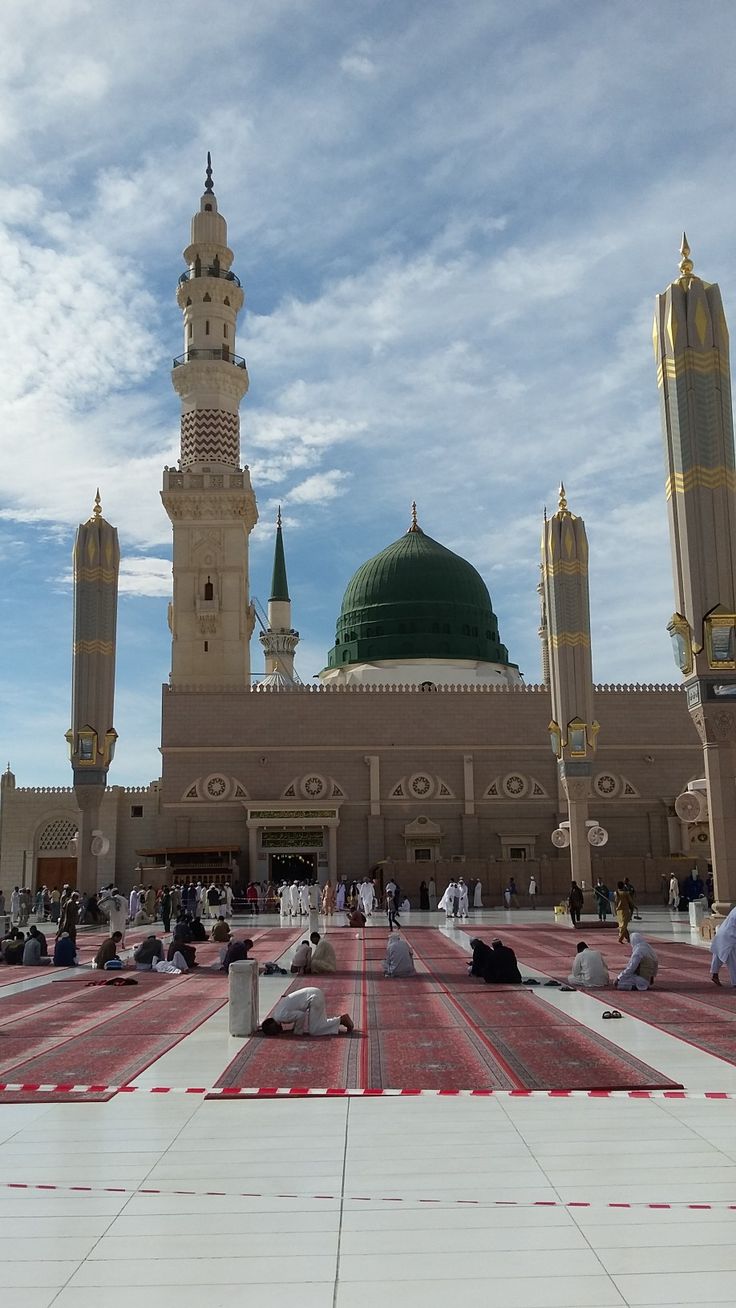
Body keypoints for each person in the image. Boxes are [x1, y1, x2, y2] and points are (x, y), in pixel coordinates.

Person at [261, 987, 354, 1036]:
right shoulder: (277, 1013)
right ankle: (340, 1020)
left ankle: (341, 1020)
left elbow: (301, 1015)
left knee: (315, 1031)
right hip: (313, 993)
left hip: (313, 998)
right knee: (319, 1024)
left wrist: (297, 1032)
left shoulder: (281, 1017)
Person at [710, 907, 736, 986]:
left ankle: (714, 974)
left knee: (718, 953)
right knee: (733, 961)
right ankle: (735, 982)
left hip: (722, 933)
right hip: (730, 937)